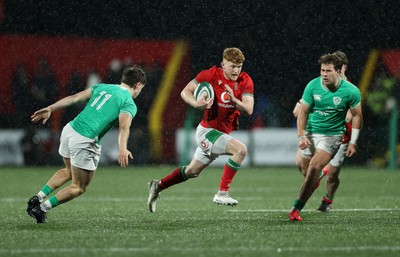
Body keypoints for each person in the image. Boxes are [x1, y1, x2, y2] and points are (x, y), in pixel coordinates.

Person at [26, 65, 146, 223]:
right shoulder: (128, 102)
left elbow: (75, 97)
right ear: (138, 85)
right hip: (85, 139)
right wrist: (122, 148)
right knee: (79, 187)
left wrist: (51, 108)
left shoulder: (102, 87)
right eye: (141, 88)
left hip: (70, 130)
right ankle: (41, 208)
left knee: (68, 171)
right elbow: (124, 127)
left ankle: (37, 198)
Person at [147, 47, 254, 213]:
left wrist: (234, 100)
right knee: (240, 150)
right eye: (232, 66)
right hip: (207, 132)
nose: (236, 70)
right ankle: (222, 193)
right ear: (223, 64)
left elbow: (249, 108)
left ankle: (157, 186)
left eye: (239, 66)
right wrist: (196, 103)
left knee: (191, 171)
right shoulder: (210, 75)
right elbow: (185, 91)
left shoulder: (245, 80)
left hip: (220, 135)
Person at [288, 53, 363, 221]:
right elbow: (303, 111)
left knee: (316, 168)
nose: (323, 74)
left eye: (328, 71)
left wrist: (353, 141)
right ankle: (316, 178)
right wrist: (301, 135)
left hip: (333, 136)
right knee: (305, 169)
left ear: (338, 71)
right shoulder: (313, 86)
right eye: (322, 70)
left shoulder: (351, 90)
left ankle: (296, 208)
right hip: (311, 132)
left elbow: (357, 115)